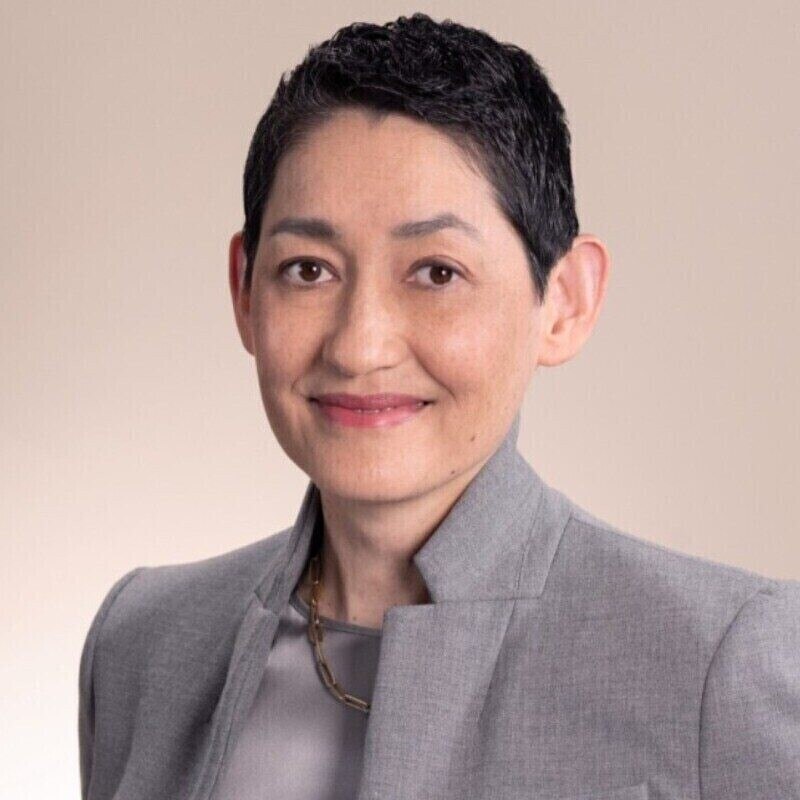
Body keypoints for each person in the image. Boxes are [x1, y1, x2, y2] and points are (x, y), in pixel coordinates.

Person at [78, 12, 800, 800]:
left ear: (564, 301)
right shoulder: (142, 645)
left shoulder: (718, 663)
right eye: (309, 270)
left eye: (436, 273)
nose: (360, 346)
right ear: (244, 291)